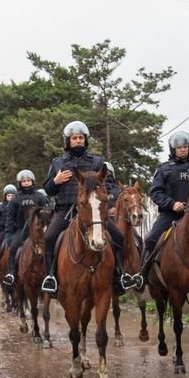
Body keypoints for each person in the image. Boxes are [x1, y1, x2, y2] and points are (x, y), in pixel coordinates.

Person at [40, 121, 127, 294]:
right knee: (49, 238)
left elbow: (109, 185)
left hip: (93, 211)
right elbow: (48, 190)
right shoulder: (58, 163)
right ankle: (51, 278)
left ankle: (119, 276)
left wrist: (109, 201)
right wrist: (55, 182)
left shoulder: (96, 162)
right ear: (68, 141)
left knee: (117, 236)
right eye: (74, 138)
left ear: (85, 140)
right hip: (65, 210)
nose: (78, 141)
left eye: (80, 138)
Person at [138, 131, 189, 285]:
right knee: (151, 239)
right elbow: (156, 192)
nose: (183, 149)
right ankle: (141, 276)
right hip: (170, 215)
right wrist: (172, 204)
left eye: (185, 147)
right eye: (179, 147)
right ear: (173, 149)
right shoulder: (164, 169)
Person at [0, 169, 49, 288]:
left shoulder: (40, 197)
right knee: (12, 249)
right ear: (19, 183)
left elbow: (48, 212)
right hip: (21, 230)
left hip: (38, 231)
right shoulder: (15, 199)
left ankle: (51, 275)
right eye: (24, 181)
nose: (26, 183)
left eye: (28, 180)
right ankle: (11, 273)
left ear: (32, 181)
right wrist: (8, 235)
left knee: (50, 248)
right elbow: (10, 219)